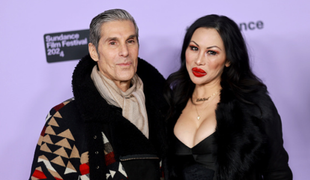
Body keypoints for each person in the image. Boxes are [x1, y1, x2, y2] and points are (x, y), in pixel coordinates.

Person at [29, 9, 167, 180]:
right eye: (113, 43)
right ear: (94, 52)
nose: (124, 52)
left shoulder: (164, 109)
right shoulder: (66, 118)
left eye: (130, 41)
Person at [164, 14, 292, 180]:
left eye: (211, 52)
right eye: (194, 48)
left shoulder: (253, 105)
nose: (199, 60)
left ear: (228, 59)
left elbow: (277, 172)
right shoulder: (170, 104)